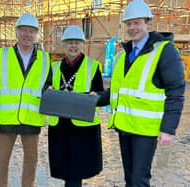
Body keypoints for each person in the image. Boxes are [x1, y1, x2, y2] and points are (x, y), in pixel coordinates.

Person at [101, 0, 185, 186]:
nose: (132, 27)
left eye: (137, 22)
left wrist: (168, 129)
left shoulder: (164, 51)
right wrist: (96, 98)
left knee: (140, 180)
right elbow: (117, 91)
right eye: (128, 23)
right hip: (125, 127)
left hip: (145, 131)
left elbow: (176, 91)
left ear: (148, 24)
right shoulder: (123, 55)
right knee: (129, 179)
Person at [0, 13, 51, 187]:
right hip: (6, 119)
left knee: (31, 163)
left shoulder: (44, 59)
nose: (27, 34)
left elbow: (48, 86)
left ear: (36, 34)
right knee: (0, 162)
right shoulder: (4, 55)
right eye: (24, 30)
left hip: (31, 118)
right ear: (17, 32)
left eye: (31, 31)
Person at [48, 25, 104, 187]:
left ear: (82, 45)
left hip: (82, 127)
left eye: (77, 42)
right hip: (61, 126)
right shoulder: (55, 67)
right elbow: (47, 89)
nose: (73, 46)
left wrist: (95, 98)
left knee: (77, 171)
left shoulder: (93, 67)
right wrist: (48, 90)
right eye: (70, 42)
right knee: (65, 168)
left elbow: (100, 95)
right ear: (64, 44)